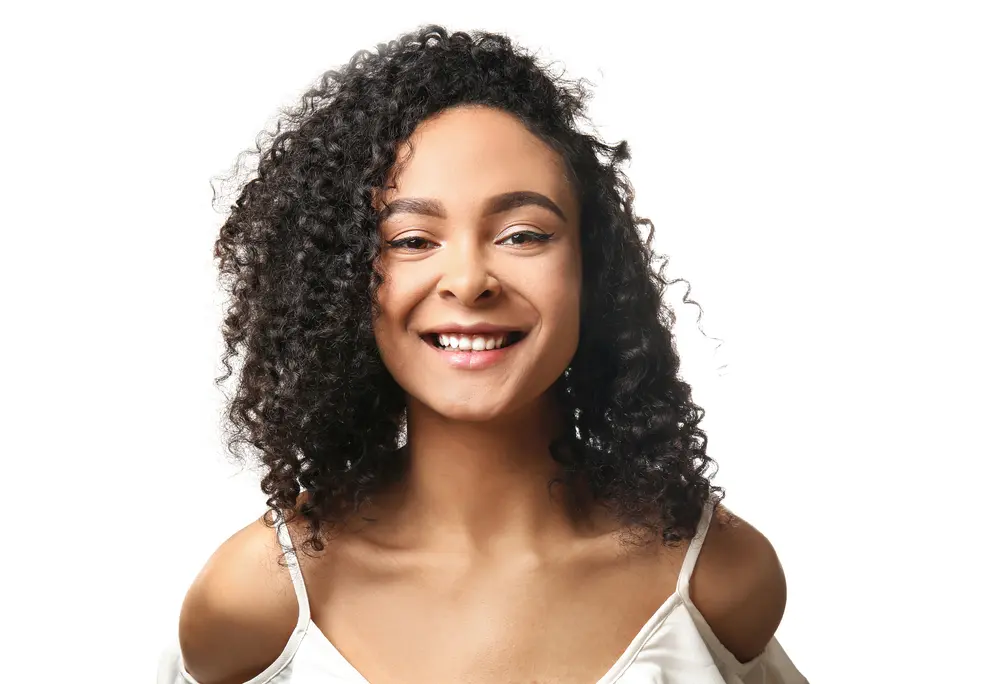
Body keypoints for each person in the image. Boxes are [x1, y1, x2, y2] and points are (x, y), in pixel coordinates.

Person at [158, 25, 807, 684]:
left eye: (523, 235)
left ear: (593, 270)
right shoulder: (252, 602)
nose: (468, 281)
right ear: (341, 283)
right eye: (412, 240)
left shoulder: (718, 580)